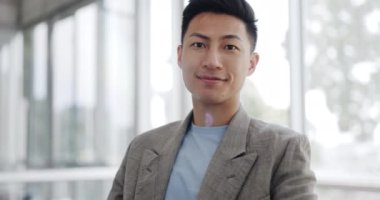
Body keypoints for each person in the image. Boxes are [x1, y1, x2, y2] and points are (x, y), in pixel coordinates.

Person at [107, 0, 317, 199]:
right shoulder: (143, 147)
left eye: (229, 47)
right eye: (199, 45)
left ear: (251, 63)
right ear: (180, 56)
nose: (212, 62)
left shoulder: (282, 149)